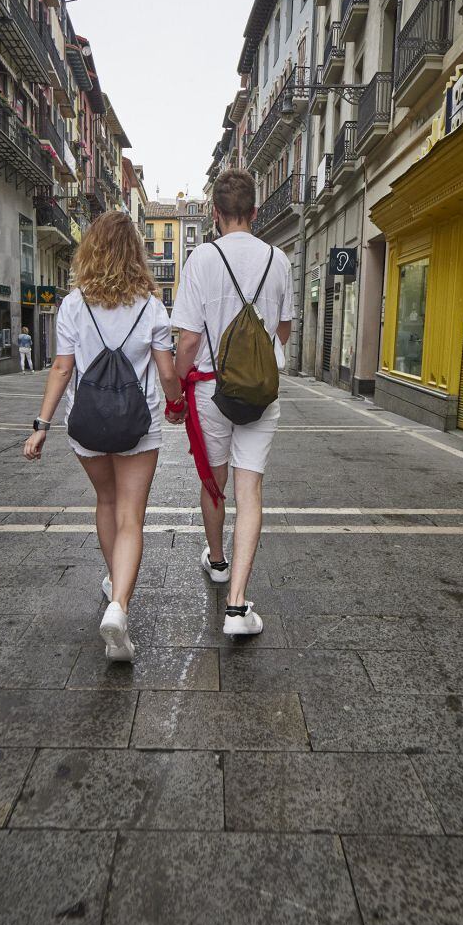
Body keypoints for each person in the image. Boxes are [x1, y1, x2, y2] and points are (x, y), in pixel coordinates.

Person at [23, 210, 187, 663]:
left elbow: (62, 368)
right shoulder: (152, 306)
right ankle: (119, 605)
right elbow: (166, 372)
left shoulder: (73, 305)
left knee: (106, 502)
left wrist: (41, 426)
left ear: (91, 249)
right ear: (136, 253)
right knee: (131, 516)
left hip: (88, 423)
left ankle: (115, 582)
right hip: (139, 424)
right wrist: (177, 404)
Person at [172, 168, 292, 637]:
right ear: (255, 211)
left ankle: (218, 562)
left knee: (214, 483)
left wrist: (176, 390)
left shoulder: (201, 259)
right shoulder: (278, 259)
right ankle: (238, 607)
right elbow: (284, 331)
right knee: (250, 490)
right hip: (261, 391)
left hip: (211, 391)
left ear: (216, 214)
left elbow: (187, 341)